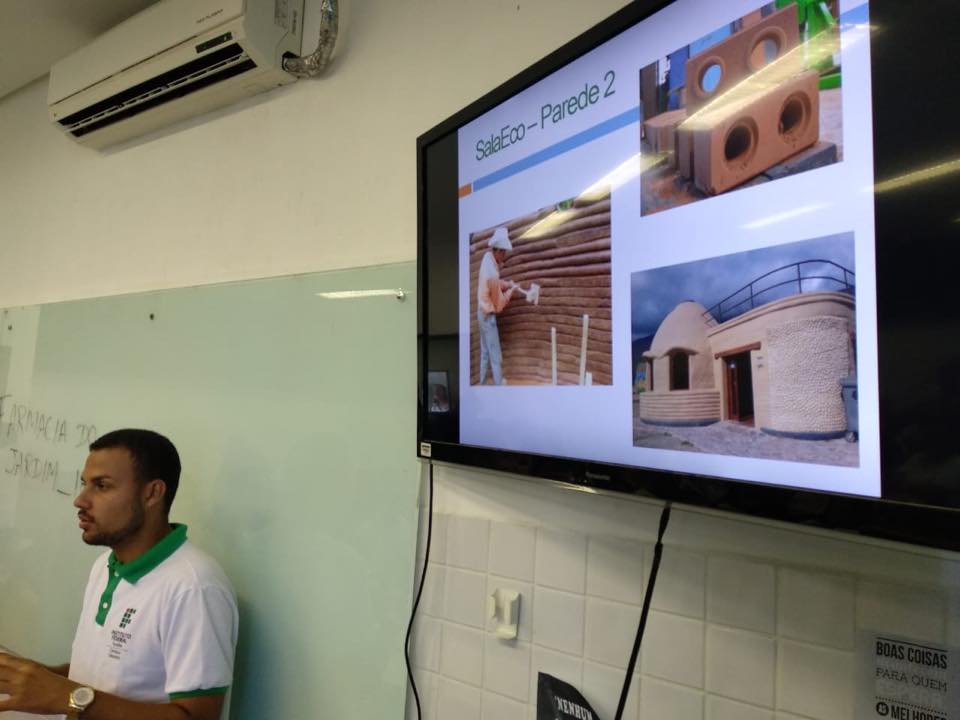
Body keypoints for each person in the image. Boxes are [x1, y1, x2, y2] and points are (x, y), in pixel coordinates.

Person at [0, 429, 238, 720]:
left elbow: (198, 717)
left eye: (101, 486)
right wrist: (30, 678)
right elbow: (104, 680)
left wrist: (67, 697)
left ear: (152, 493)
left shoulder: (194, 587)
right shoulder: (105, 565)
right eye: (84, 484)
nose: (80, 500)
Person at [476, 226, 517, 385]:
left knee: (485, 353)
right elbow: (499, 305)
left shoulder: (487, 257)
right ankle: (499, 386)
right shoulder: (492, 274)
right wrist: (511, 291)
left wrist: (506, 284)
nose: (504, 255)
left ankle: (481, 383)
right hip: (488, 318)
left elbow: (493, 283)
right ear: (498, 251)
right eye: (503, 252)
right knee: (495, 355)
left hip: (480, 313)